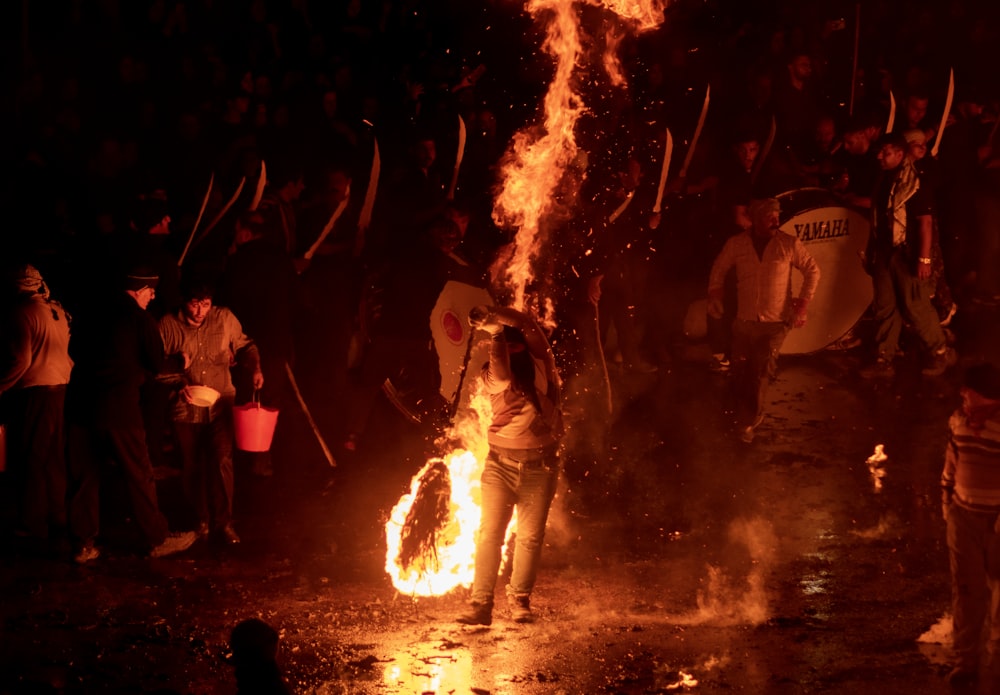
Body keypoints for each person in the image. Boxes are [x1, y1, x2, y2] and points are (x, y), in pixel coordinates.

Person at [67, 267, 197, 562]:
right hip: (119, 409)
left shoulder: (90, 314)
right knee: (139, 474)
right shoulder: (139, 319)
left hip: (80, 406)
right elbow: (154, 362)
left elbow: (74, 349)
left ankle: (82, 544)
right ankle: (156, 538)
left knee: (84, 476)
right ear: (138, 291)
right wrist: (179, 361)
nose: (153, 297)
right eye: (151, 291)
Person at [456, 305, 563, 626]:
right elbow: (502, 369)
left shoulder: (543, 367)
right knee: (490, 534)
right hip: (499, 467)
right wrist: (496, 332)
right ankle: (481, 605)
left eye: (516, 345)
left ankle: (519, 601)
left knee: (530, 537)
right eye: (506, 347)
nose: (511, 351)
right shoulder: (492, 377)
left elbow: (528, 324)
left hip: (540, 469)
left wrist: (494, 314)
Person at [159, 277, 263, 544]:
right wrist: (178, 383)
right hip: (185, 406)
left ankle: (223, 522)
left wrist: (255, 367)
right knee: (190, 465)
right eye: (194, 305)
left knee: (221, 461)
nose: (199, 312)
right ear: (185, 302)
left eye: (205, 305)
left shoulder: (224, 318)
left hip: (221, 402)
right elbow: (155, 366)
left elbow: (246, 345)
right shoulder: (168, 325)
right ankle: (200, 520)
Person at [707, 198, 820, 443]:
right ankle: (738, 414)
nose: (776, 221)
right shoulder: (737, 244)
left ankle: (748, 422)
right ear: (756, 219)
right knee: (739, 371)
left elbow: (813, 270)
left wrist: (801, 306)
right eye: (770, 216)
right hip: (744, 321)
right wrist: (715, 296)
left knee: (760, 370)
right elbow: (719, 268)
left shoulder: (789, 244)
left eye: (777, 216)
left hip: (775, 322)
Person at [860, 132, 956, 378]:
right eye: (879, 152)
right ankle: (884, 359)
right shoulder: (882, 180)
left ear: (900, 154)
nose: (880, 156)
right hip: (884, 252)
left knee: (916, 306)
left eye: (886, 153)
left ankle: (940, 352)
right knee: (885, 306)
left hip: (908, 253)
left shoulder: (914, 183)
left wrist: (924, 260)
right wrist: (872, 252)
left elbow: (925, 223)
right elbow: (877, 219)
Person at [0, 265, 73, 543]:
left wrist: (1, 385)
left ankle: (31, 523)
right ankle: (58, 516)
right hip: (61, 390)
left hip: (35, 392)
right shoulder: (57, 310)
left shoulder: (21, 313)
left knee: (32, 458)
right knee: (54, 458)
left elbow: (21, 360)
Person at [940, 362, 1000, 686]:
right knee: (966, 591)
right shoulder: (959, 422)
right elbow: (951, 463)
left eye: (969, 389)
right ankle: (966, 661)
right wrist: (948, 506)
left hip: (997, 523)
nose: (962, 394)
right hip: (964, 518)